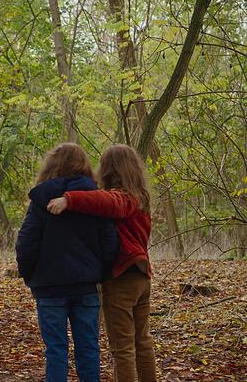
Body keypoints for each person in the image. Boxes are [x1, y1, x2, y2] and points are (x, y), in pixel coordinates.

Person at [47, 144, 157, 381]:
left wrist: (69, 199)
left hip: (123, 278)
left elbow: (109, 202)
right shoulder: (141, 197)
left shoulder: (124, 198)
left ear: (108, 169)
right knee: (142, 343)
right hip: (141, 277)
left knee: (123, 348)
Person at [16, 143, 119, 382]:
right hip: (85, 286)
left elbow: (27, 242)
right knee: (88, 349)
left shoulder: (41, 200)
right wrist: (99, 272)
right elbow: (109, 242)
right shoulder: (95, 199)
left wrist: (30, 274)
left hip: (49, 287)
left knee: (55, 351)